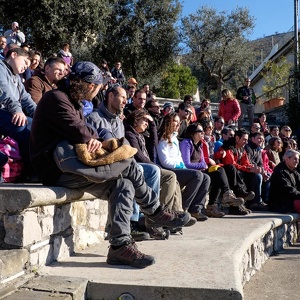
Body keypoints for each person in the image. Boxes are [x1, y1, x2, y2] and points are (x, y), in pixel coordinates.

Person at [30, 61, 191, 268]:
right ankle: (155, 211)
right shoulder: (56, 98)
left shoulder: (71, 101)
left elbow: (87, 130)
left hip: (69, 168)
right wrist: (92, 138)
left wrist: (94, 137)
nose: (97, 92)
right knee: (129, 163)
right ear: (89, 85)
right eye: (97, 87)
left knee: (123, 185)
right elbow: (79, 129)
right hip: (55, 170)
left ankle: (119, 247)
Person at [180, 122, 244, 217]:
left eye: (202, 132)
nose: (202, 133)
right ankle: (197, 208)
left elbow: (202, 161)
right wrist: (203, 165)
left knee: (219, 171)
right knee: (210, 175)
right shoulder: (186, 143)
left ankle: (216, 203)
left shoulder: (200, 145)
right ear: (192, 133)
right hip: (190, 171)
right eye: (200, 131)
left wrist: (203, 165)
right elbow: (187, 164)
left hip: (200, 170)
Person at [124, 110, 183, 212]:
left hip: (147, 165)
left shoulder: (140, 135)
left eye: (148, 122)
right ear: (135, 120)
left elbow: (154, 144)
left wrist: (152, 125)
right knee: (169, 175)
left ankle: (176, 211)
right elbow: (138, 156)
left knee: (173, 178)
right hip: (139, 166)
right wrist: (155, 165)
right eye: (144, 121)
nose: (147, 123)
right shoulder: (130, 134)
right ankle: (161, 212)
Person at [156, 112, 210, 221]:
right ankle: (183, 209)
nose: (177, 124)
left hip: (179, 168)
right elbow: (164, 160)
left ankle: (195, 209)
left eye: (178, 122)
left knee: (206, 178)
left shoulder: (174, 138)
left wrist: (182, 166)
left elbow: (179, 156)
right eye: (175, 121)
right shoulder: (163, 138)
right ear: (168, 122)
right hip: (169, 169)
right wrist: (180, 165)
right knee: (197, 175)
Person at [0, 47, 37, 180]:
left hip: (7, 113)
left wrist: (43, 117)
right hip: (3, 111)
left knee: (36, 126)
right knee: (23, 128)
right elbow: (4, 92)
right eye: (25, 63)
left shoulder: (17, 78)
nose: (26, 68)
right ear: (14, 55)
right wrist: (17, 109)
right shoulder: (1, 68)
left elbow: (27, 100)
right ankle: (29, 172)